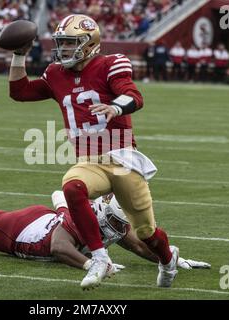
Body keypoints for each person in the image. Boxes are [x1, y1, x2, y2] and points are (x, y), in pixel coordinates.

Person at [9, 14, 179, 290]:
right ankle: (99, 257)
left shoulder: (110, 64)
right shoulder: (55, 73)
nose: (63, 49)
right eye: (61, 43)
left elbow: (133, 95)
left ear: (89, 45)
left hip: (122, 158)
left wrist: (115, 108)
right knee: (72, 187)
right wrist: (18, 55)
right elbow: (20, 92)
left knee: (147, 232)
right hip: (90, 160)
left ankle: (168, 259)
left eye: (69, 43)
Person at [0, 141, 211, 273]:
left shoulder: (109, 221)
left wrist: (172, 260)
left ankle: (60, 203)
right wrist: (93, 264)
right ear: (102, 213)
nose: (122, 231)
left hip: (54, 214)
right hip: (24, 229)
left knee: (66, 206)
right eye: (119, 224)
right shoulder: (80, 223)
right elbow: (59, 249)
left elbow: (142, 248)